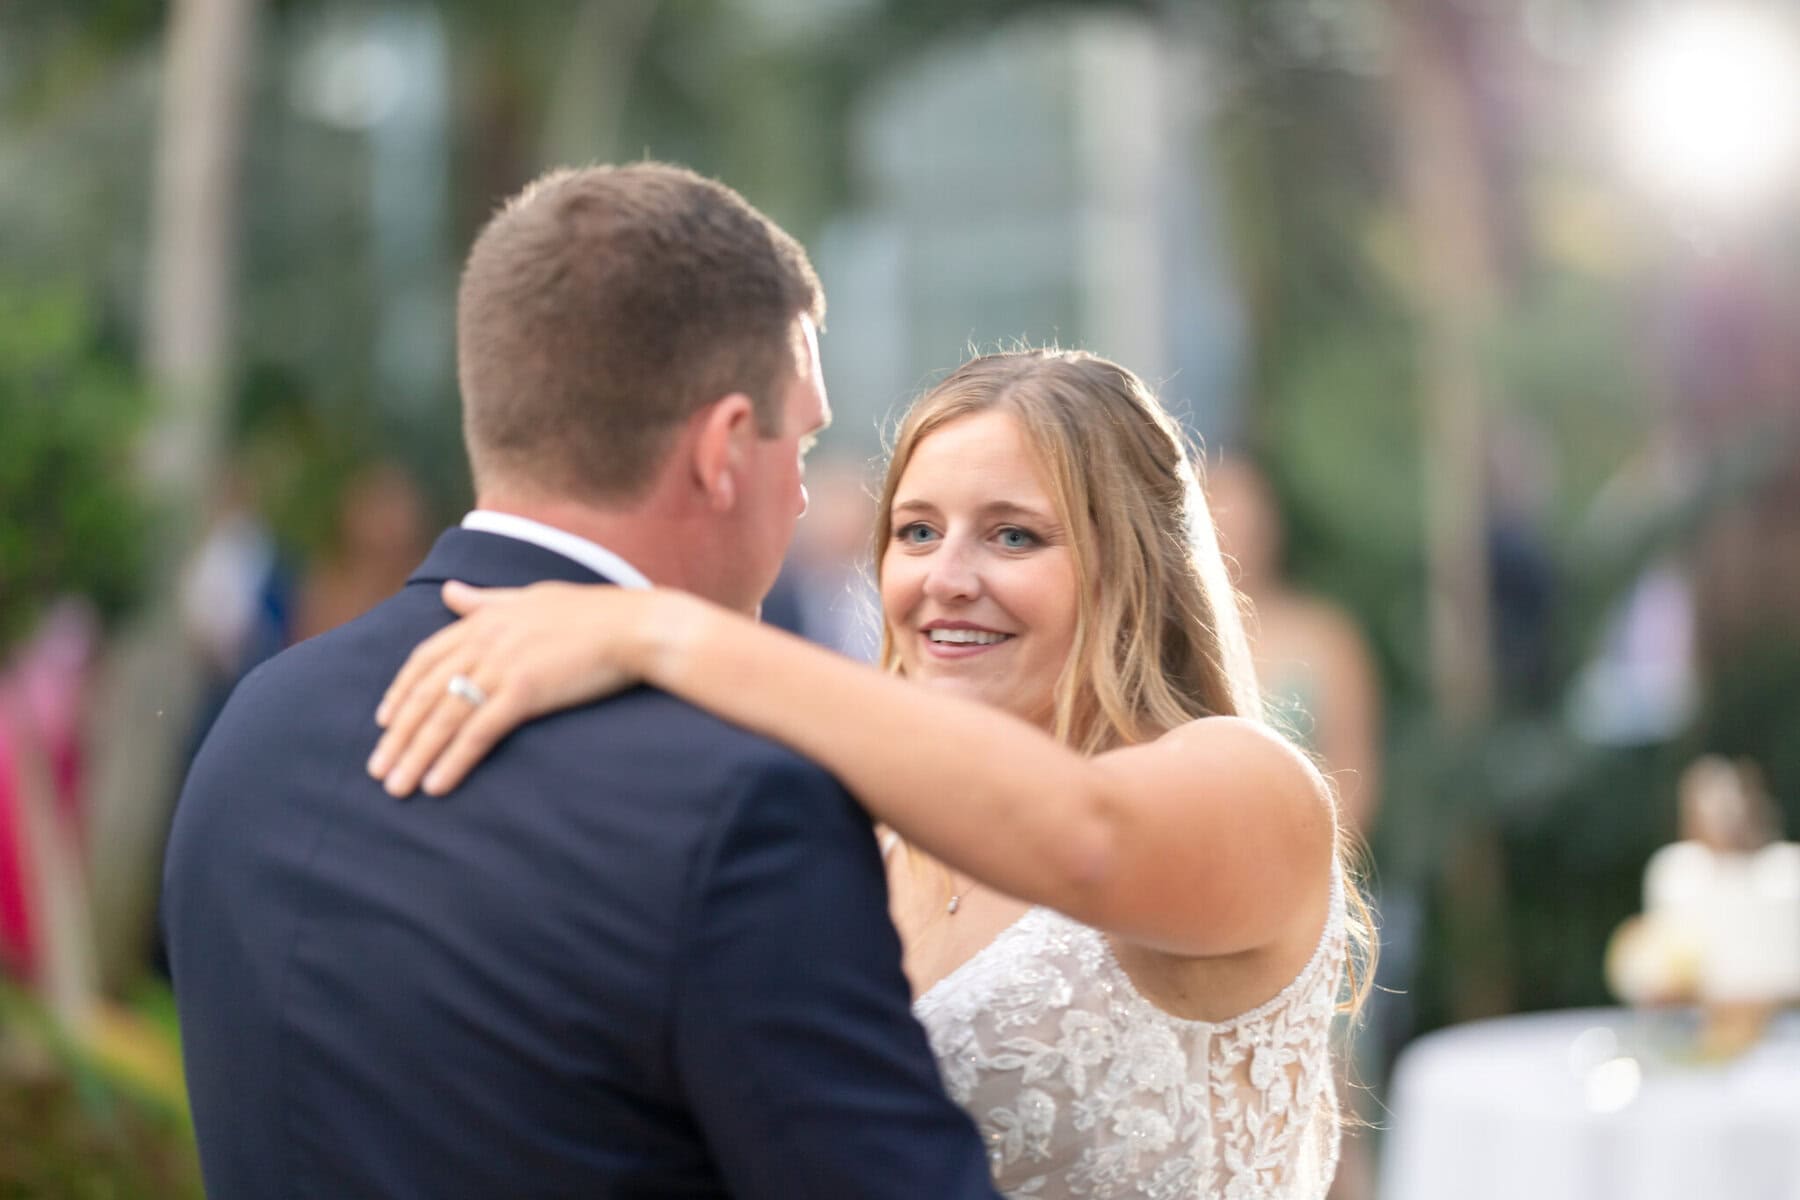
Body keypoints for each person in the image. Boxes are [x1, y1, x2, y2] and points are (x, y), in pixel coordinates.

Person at [162, 163, 1001, 1199]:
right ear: (723, 450)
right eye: (804, 439)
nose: (801, 494)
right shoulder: (740, 803)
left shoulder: (257, 724)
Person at [371, 348, 1375, 1199]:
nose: (945, 579)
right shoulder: (850, 832)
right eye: (917, 531)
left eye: (1014, 535)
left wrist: (660, 632)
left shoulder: (1248, 784)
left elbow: (1088, 840)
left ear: (1133, 563)